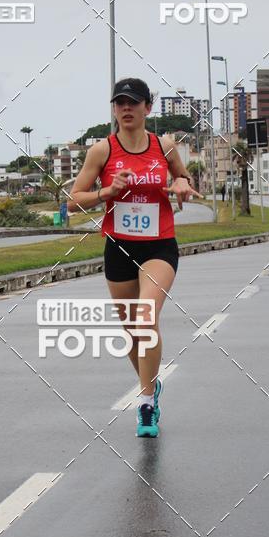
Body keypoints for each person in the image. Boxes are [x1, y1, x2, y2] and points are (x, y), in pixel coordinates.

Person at [68, 77, 199, 437]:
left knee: (145, 317)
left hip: (159, 245)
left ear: (147, 108)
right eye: (119, 103)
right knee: (131, 334)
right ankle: (151, 383)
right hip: (119, 247)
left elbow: (183, 177)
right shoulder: (102, 151)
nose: (125, 109)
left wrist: (184, 184)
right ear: (114, 109)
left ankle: (145, 403)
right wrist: (108, 191)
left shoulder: (164, 145)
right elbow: (73, 199)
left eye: (133, 103)